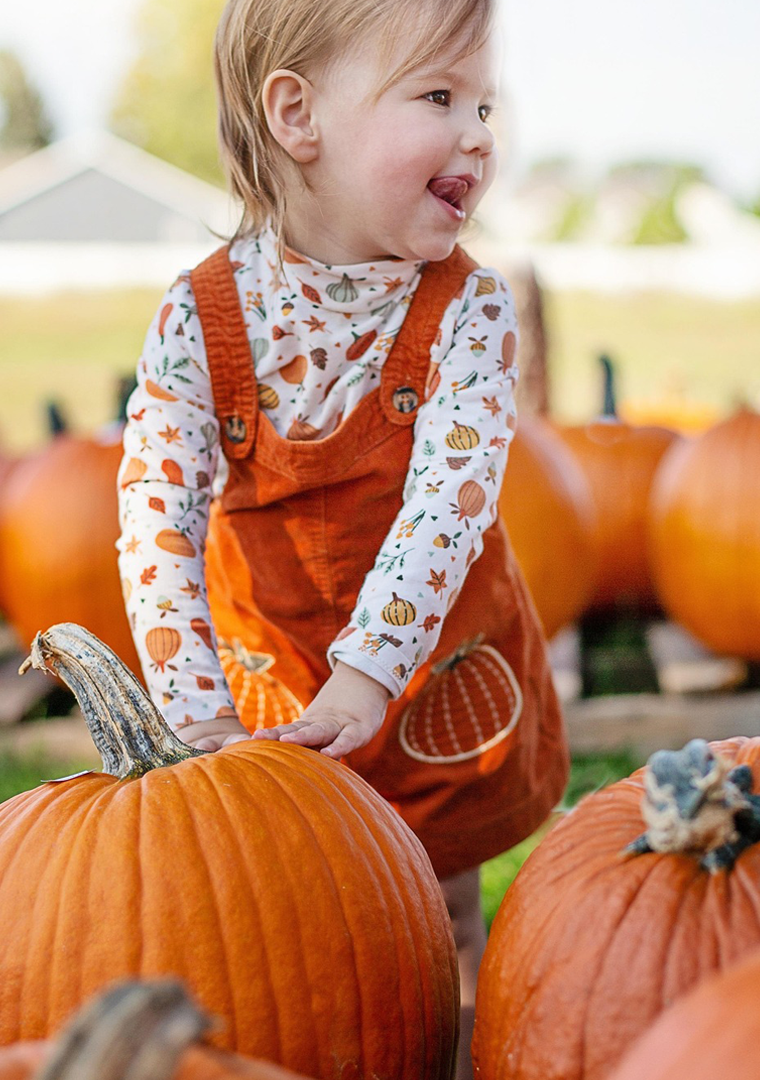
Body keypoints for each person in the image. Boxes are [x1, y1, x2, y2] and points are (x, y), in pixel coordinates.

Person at [116, 0, 569, 1072]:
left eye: (485, 105)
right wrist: (195, 716)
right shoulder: (199, 320)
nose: (478, 136)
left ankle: (455, 1053)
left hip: (428, 679)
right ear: (296, 114)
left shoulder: (469, 313)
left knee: (446, 911)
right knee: (289, 918)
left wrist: (369, 675)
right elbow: (153, 513)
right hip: (268, 683)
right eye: (438, 97)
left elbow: (445, 510)